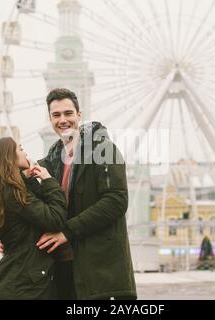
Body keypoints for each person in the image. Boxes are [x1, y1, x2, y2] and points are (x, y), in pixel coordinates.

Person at [36, 88, 137, 300]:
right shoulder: (48, 164)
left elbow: (116, 201)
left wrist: (67, 232)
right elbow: (37, 210)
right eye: (56, 115)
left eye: (68, 113)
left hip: (99, 273)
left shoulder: (105, 150)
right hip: (59, 270)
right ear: (50, 119)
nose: (63, 120)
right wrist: (10, 238)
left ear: (79, 116)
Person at [0, 137, 67, 299]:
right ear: (8, 157)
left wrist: (28, 179)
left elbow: (30, 218)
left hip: (17, 280)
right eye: (20, 149)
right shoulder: (12, 193)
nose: (25, 152)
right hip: (26, 285)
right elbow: (55, 219)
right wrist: (48, 181)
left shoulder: (3, 191)